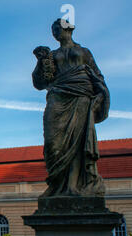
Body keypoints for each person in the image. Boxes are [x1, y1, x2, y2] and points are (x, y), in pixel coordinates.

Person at [32, 19, 110, 198]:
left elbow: (97, 76)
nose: (55, 32)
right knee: (53, 143)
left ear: (69, 29)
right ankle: (56, 184)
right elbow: (39, 83)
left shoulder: (84, 52)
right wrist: (40, 61)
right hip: (57, 99)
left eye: (58, 28)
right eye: (53, 30)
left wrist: (100, 95)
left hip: (80, 98)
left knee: (77, 142)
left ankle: (73, 187)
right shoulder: (51, 56)